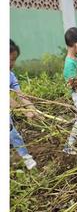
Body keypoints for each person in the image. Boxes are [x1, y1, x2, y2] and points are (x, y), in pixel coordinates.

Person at [9, 39, 38, 170]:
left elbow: (20, 95)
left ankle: (25, 157)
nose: (12, 63)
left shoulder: (10, 75)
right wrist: (25, 111)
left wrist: (32, 108)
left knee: (12, 133)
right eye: (10, 59)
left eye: (14, 59)